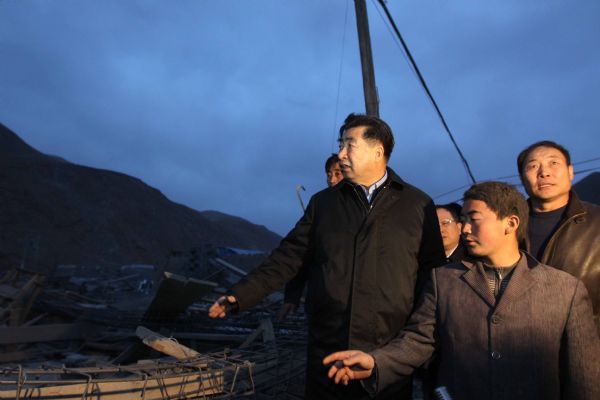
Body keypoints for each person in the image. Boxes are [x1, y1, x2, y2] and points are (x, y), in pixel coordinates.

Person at [209, 113, 445, 399]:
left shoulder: (417, 205)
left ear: (378, 150)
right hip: (328, 345)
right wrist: (240, 295)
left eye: (349, 145)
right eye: (340, 144)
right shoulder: (324, 204)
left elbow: (433, 277)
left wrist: (419, 339)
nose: (341, 154)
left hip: (387, 350)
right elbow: (288, 257)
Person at [324, 181, 599, 400]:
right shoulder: (444, 280)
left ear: (511, 223)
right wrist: (376, 361)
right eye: (463, 219)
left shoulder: (566, 289)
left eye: (474, 218)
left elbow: (584, 377)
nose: (465, 228)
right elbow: (419, 340)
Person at [517, 140, 600, 332]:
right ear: (522, 178)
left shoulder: (597, 221)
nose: (544, 172)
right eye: (533, 166)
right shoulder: (507, 227)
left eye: (553, 163)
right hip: (520, 348)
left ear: (571, 172)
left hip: (587, 345)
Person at [279, 154, 344, 321]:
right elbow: (301, 252)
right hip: (321, 306)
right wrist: (292, 296)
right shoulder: (319, 207)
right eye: (329, 174)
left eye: (338, 173)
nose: (332, 179)